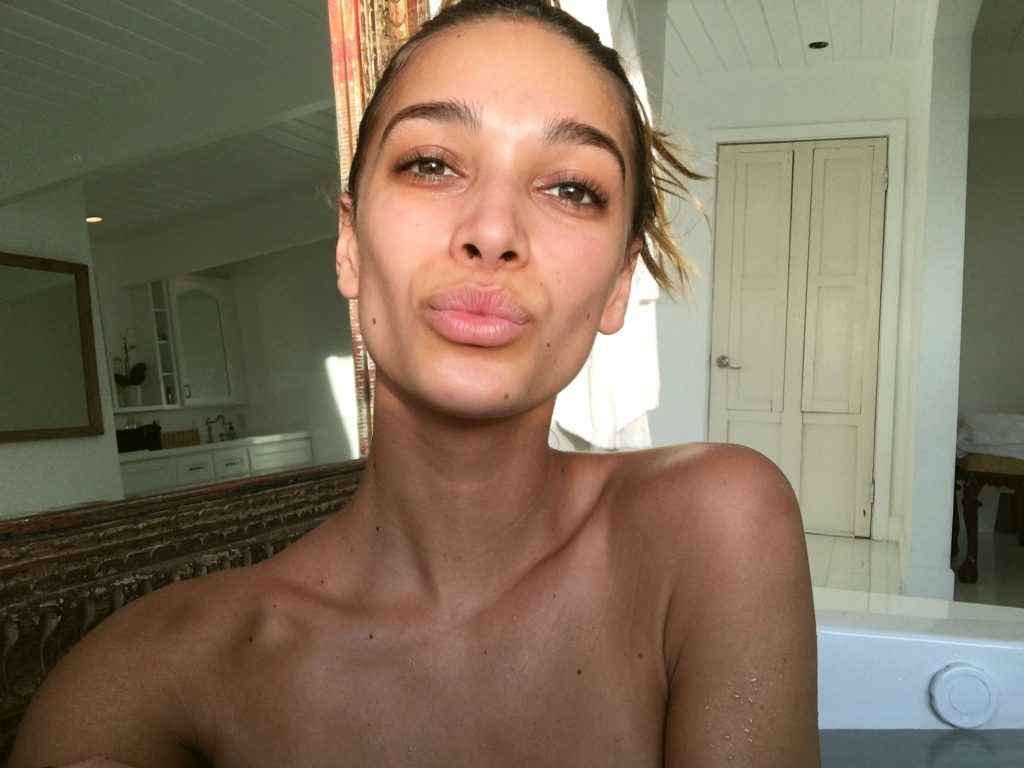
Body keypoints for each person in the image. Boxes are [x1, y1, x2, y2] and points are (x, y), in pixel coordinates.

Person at [10, 1, 820, 765]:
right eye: (431, 165)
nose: (493, 232)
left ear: (617, 284)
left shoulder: (717, 524)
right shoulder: (149, 681)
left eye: (571, 188)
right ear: (349, 245)